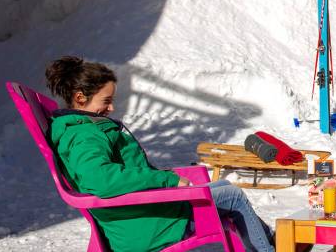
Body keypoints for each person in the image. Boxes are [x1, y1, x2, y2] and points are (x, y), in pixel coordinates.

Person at [45, 56, 275, 252]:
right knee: (233, 196)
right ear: (80, 97)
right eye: (106, 101)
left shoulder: (84, 128)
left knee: (224, 189)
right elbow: (101, 179)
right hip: (145, 225)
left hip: (145, 213)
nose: (112, 108)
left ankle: (270, 241)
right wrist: (167, 180)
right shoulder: (84, 135)